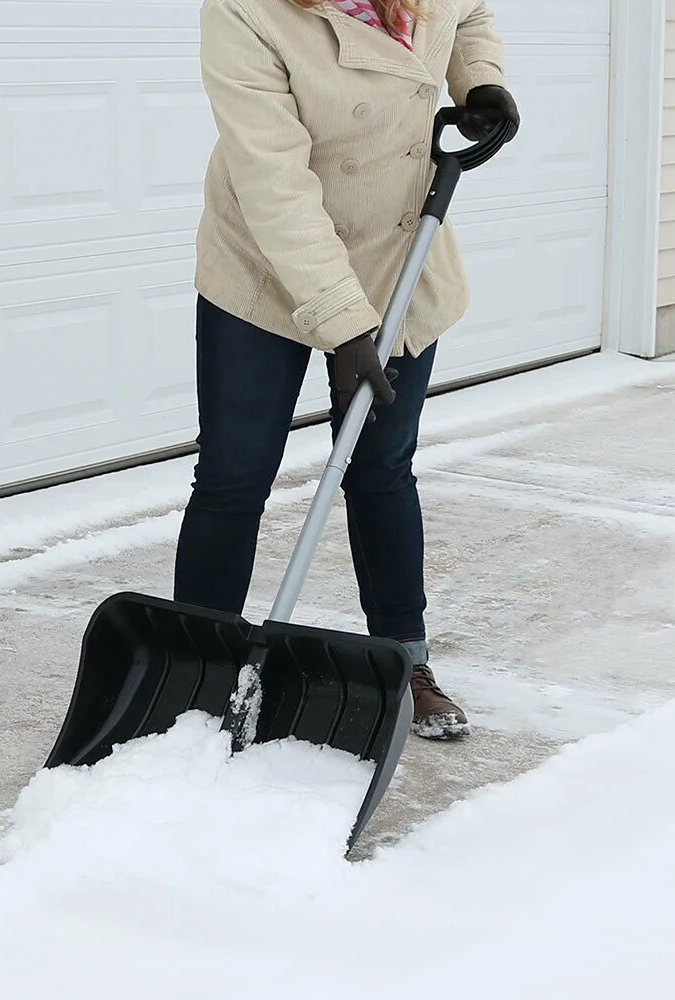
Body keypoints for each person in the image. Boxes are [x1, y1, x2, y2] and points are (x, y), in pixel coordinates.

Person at [174, 0, 519, 739]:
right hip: (263, 269)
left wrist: (480, 82)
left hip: (399, 259)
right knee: (234, 476)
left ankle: (402, 660)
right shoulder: (244, 11)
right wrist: (342, 326)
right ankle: (197, 667)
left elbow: (470, 14)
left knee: (381, 467)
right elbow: (273, 185)